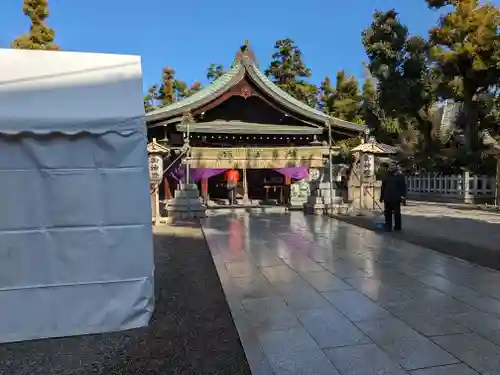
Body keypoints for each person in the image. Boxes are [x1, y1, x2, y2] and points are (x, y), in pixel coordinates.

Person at [380, 163, 407, 231]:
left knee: (396, 213)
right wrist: (382, 197)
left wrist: (403, 196)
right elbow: (383, 187)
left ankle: (397, 226)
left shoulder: (400, 176)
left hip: (396, 198)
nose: (392, 167)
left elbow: (403, 187)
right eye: (391, 166)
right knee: (388, 213)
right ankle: (389, 226)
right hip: (388, 197)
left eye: (393, 166)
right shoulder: (386, 176)